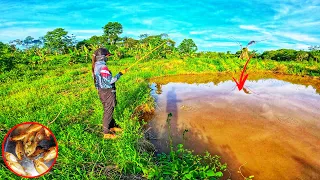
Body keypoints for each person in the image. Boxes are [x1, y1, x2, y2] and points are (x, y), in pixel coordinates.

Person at [92, 48, 126, 139]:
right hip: (107, 92)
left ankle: (112, 126)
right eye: (107, 56)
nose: (108, 57)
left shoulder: (95, 66)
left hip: (102, 91)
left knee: (109, 109)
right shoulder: (103, 67)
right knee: (108, 110)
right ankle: (106, 133)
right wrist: (120, 73)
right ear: (102, 57)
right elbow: (111, 80)